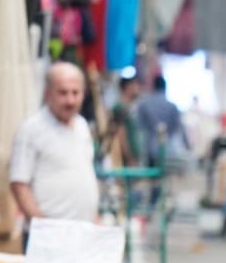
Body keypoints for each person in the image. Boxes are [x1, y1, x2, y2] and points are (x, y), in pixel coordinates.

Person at [9, 61, 100, 249]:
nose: (70, 100)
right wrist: (43, 227)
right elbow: (19, 184)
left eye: (76, 93)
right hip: (47, 239)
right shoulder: (32, 129)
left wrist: (95, 222)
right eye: (63, 93)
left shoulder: (82, 126)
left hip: (82, 235)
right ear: (48, 93)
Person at [135, 74, 187, 168]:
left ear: (153, 87)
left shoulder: (144, 105)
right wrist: (187, 147)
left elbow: (138, 126)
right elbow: (179, 128)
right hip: (169, 151)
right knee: (167, 179)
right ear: (165, 88)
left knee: (152, 179)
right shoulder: (172, 107)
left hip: (150, 149)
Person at [108, 73, 143, 167]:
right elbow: (120, 134)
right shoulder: (119, 108)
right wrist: (129, 158)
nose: (139, 88)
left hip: (134, 157)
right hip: (126, 161)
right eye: (136, 85)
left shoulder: (130, 108)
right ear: (128, 87)